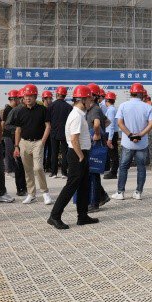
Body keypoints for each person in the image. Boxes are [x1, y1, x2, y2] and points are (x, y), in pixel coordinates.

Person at [47, 85, 100, 230]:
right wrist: (81, 156)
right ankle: (54, 216)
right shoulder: (76, 115)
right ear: (82, 99)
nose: (90, 102)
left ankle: (82, 216)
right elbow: (74, 139)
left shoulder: (79, 114)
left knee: (84, 186)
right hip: (77, 154)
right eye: (89, 99)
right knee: (71, 186)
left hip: (81, 153)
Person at [12, 83, 54, 205]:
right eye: (26, 96)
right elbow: (18, 130)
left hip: (38, 142)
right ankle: (31, 194)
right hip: (24, 143)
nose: (28, 98)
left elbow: (48, 126)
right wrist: (16, 146)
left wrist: (43, 141)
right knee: (28, 170)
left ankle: (45, 192)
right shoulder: (20, 111)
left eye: (30, 96)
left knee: (38, 168)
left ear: (35, 97)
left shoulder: (43, 110)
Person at [115, 83, 152, 200]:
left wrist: (130, 135)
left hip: (127, 143)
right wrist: (140, 135)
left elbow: (120, 123)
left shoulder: (123, 105)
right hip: (142, 144)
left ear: (131, 93)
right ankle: (138, 192)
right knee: (141, 168)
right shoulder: (147, 107)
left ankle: (120, 192)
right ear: (141, 94)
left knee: (123, 167)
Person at [85, 83, 110, 208]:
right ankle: (102, 196)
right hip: (92, 143)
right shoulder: (93, 109)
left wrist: (97, 134)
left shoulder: (95, 109)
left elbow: (96, 124)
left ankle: (94, 203)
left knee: (93, 173)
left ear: (93, 97)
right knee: (92, 172)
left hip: (95, 144)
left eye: (87, 96)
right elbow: (107, 121)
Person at [4, 89, 27, 197]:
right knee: (19, 165)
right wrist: (19, 129)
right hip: (18, 141)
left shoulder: (35, 109)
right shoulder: (16, 110)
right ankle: (21, 188)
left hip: (31, 142)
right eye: (24, 97)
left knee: (29, 167)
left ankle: (28, 188)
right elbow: (7, 125)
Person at [48, 86, 72, 179]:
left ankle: (53, 172)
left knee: (54, 152)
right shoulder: (69, 107)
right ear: (65, 95)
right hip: (65, 133)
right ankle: (64, 173)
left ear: (57, 94)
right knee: (65, 153)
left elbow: (48, 121)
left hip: (53, 133)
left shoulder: (51, 106)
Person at [103, 91, 119, 180]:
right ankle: (113, 172)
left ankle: (113, 173)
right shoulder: (112, 109)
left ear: (107, 100)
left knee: (113, 154)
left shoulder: (111, 110)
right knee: (112, 154)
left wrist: (109, 139)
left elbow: (111, 125)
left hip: (111, 134)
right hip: (111, 134)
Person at [41, 90, 54, 172]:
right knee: (42, 150)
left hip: (51, 133)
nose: (50, 100)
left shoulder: (52, 109)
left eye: (51, 98)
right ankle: (42, 165)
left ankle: (48, 166)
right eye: (49, 98)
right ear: (44, 99)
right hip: (42, 133)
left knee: (51, 150)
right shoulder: (41, 109)